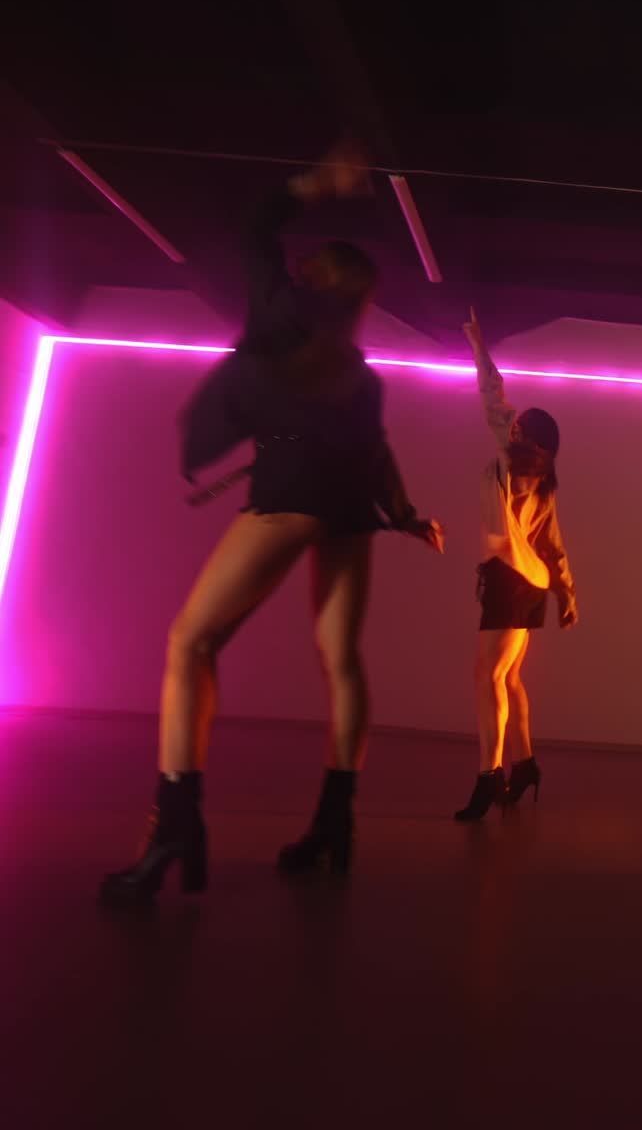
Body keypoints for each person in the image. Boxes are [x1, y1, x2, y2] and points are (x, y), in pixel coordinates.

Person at [100, 140, 444, 903]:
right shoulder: (362, 374)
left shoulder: (281, 313)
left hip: (290, 494)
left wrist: (317, 183)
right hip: (349, 507)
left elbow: (257, 226)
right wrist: (410, 515)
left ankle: (175, 824)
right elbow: (378, 454)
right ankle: (335, 823)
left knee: (189, 642)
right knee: (341, 658)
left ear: (316, 279)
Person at [454, 306, 577, 821]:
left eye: (519, 423)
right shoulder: (540, 475)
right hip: (526, 580)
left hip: (510, 578)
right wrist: (566, 592)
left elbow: (492, 397)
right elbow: (551, 540)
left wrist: (480, 346)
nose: (512, 421)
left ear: (529, 438)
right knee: (507, 679)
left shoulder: (515, 460)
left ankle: (489, 777)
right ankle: (524, 765)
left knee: (487, 677)